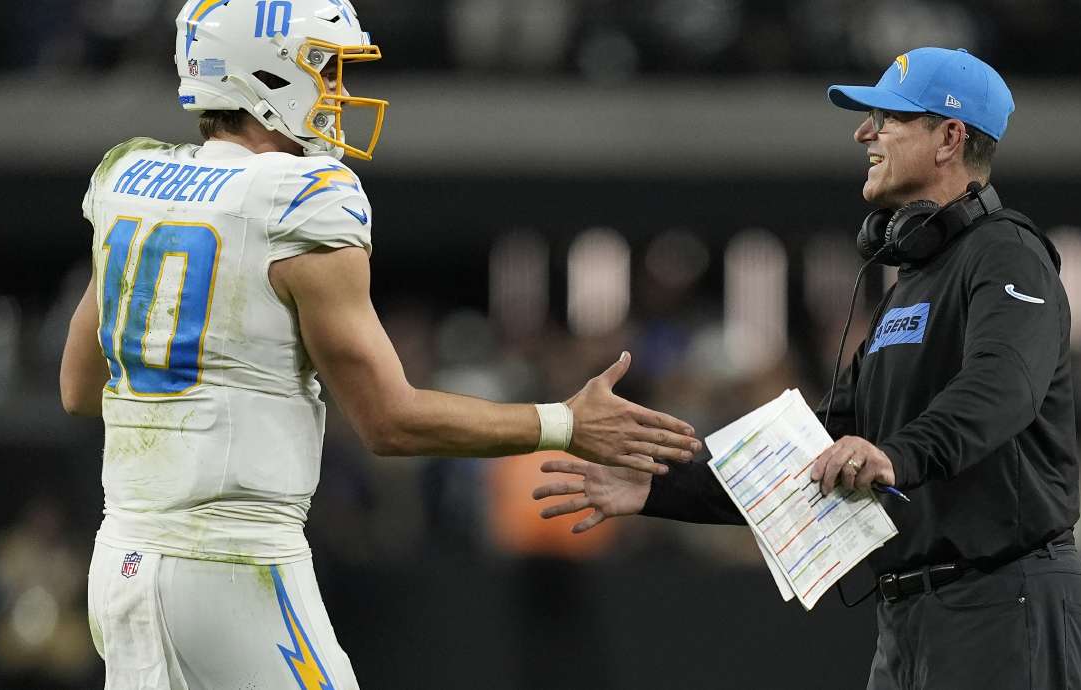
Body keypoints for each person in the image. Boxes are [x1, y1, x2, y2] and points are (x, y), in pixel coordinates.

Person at [58, 1, 701, 687]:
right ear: (263, 74)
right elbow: (390, 421)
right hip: (234, 562)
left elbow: (78, 387)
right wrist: (565, 423)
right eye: (323, 66)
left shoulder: (132, 181)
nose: (338, 89)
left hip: (121, 559)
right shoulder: (298, 197)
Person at [534, 47, 1081, 689]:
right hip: (913, 613)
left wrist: (895, 457)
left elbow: (1005, 388)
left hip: (1005, 597)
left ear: (949, 137)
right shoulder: (911, 285)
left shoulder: (1008, 254)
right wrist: (659, 488)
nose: (864, 133)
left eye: (887, 117)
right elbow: (817, 449)